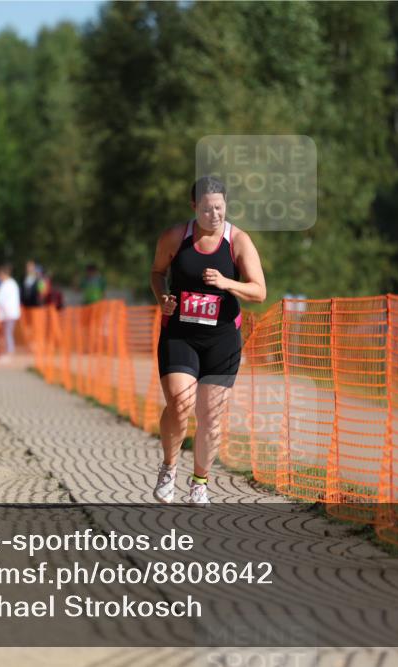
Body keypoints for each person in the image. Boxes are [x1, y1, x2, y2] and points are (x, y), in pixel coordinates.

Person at [149, 176, 266, 504]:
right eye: (206, 208)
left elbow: (259, 291)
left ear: (226, 205)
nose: (214, 214)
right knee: (179, 403)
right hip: (181, 333)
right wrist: (163, 297)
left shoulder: (238, 241)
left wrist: (229, 283)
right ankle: (169, 467)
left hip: (221, 338)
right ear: (193, 207)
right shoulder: (175, 237)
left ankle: (200, 481)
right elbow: (157, 273)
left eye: (219, 207)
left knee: (211, 415)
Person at [0, 264, 21, 358]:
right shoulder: (10, 284)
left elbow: (0, 300)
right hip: (8, 313)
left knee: (7, 333)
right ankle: (7, 351)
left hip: (8, 313)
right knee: (7, 333)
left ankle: (9, 352)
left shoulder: (8, 284)